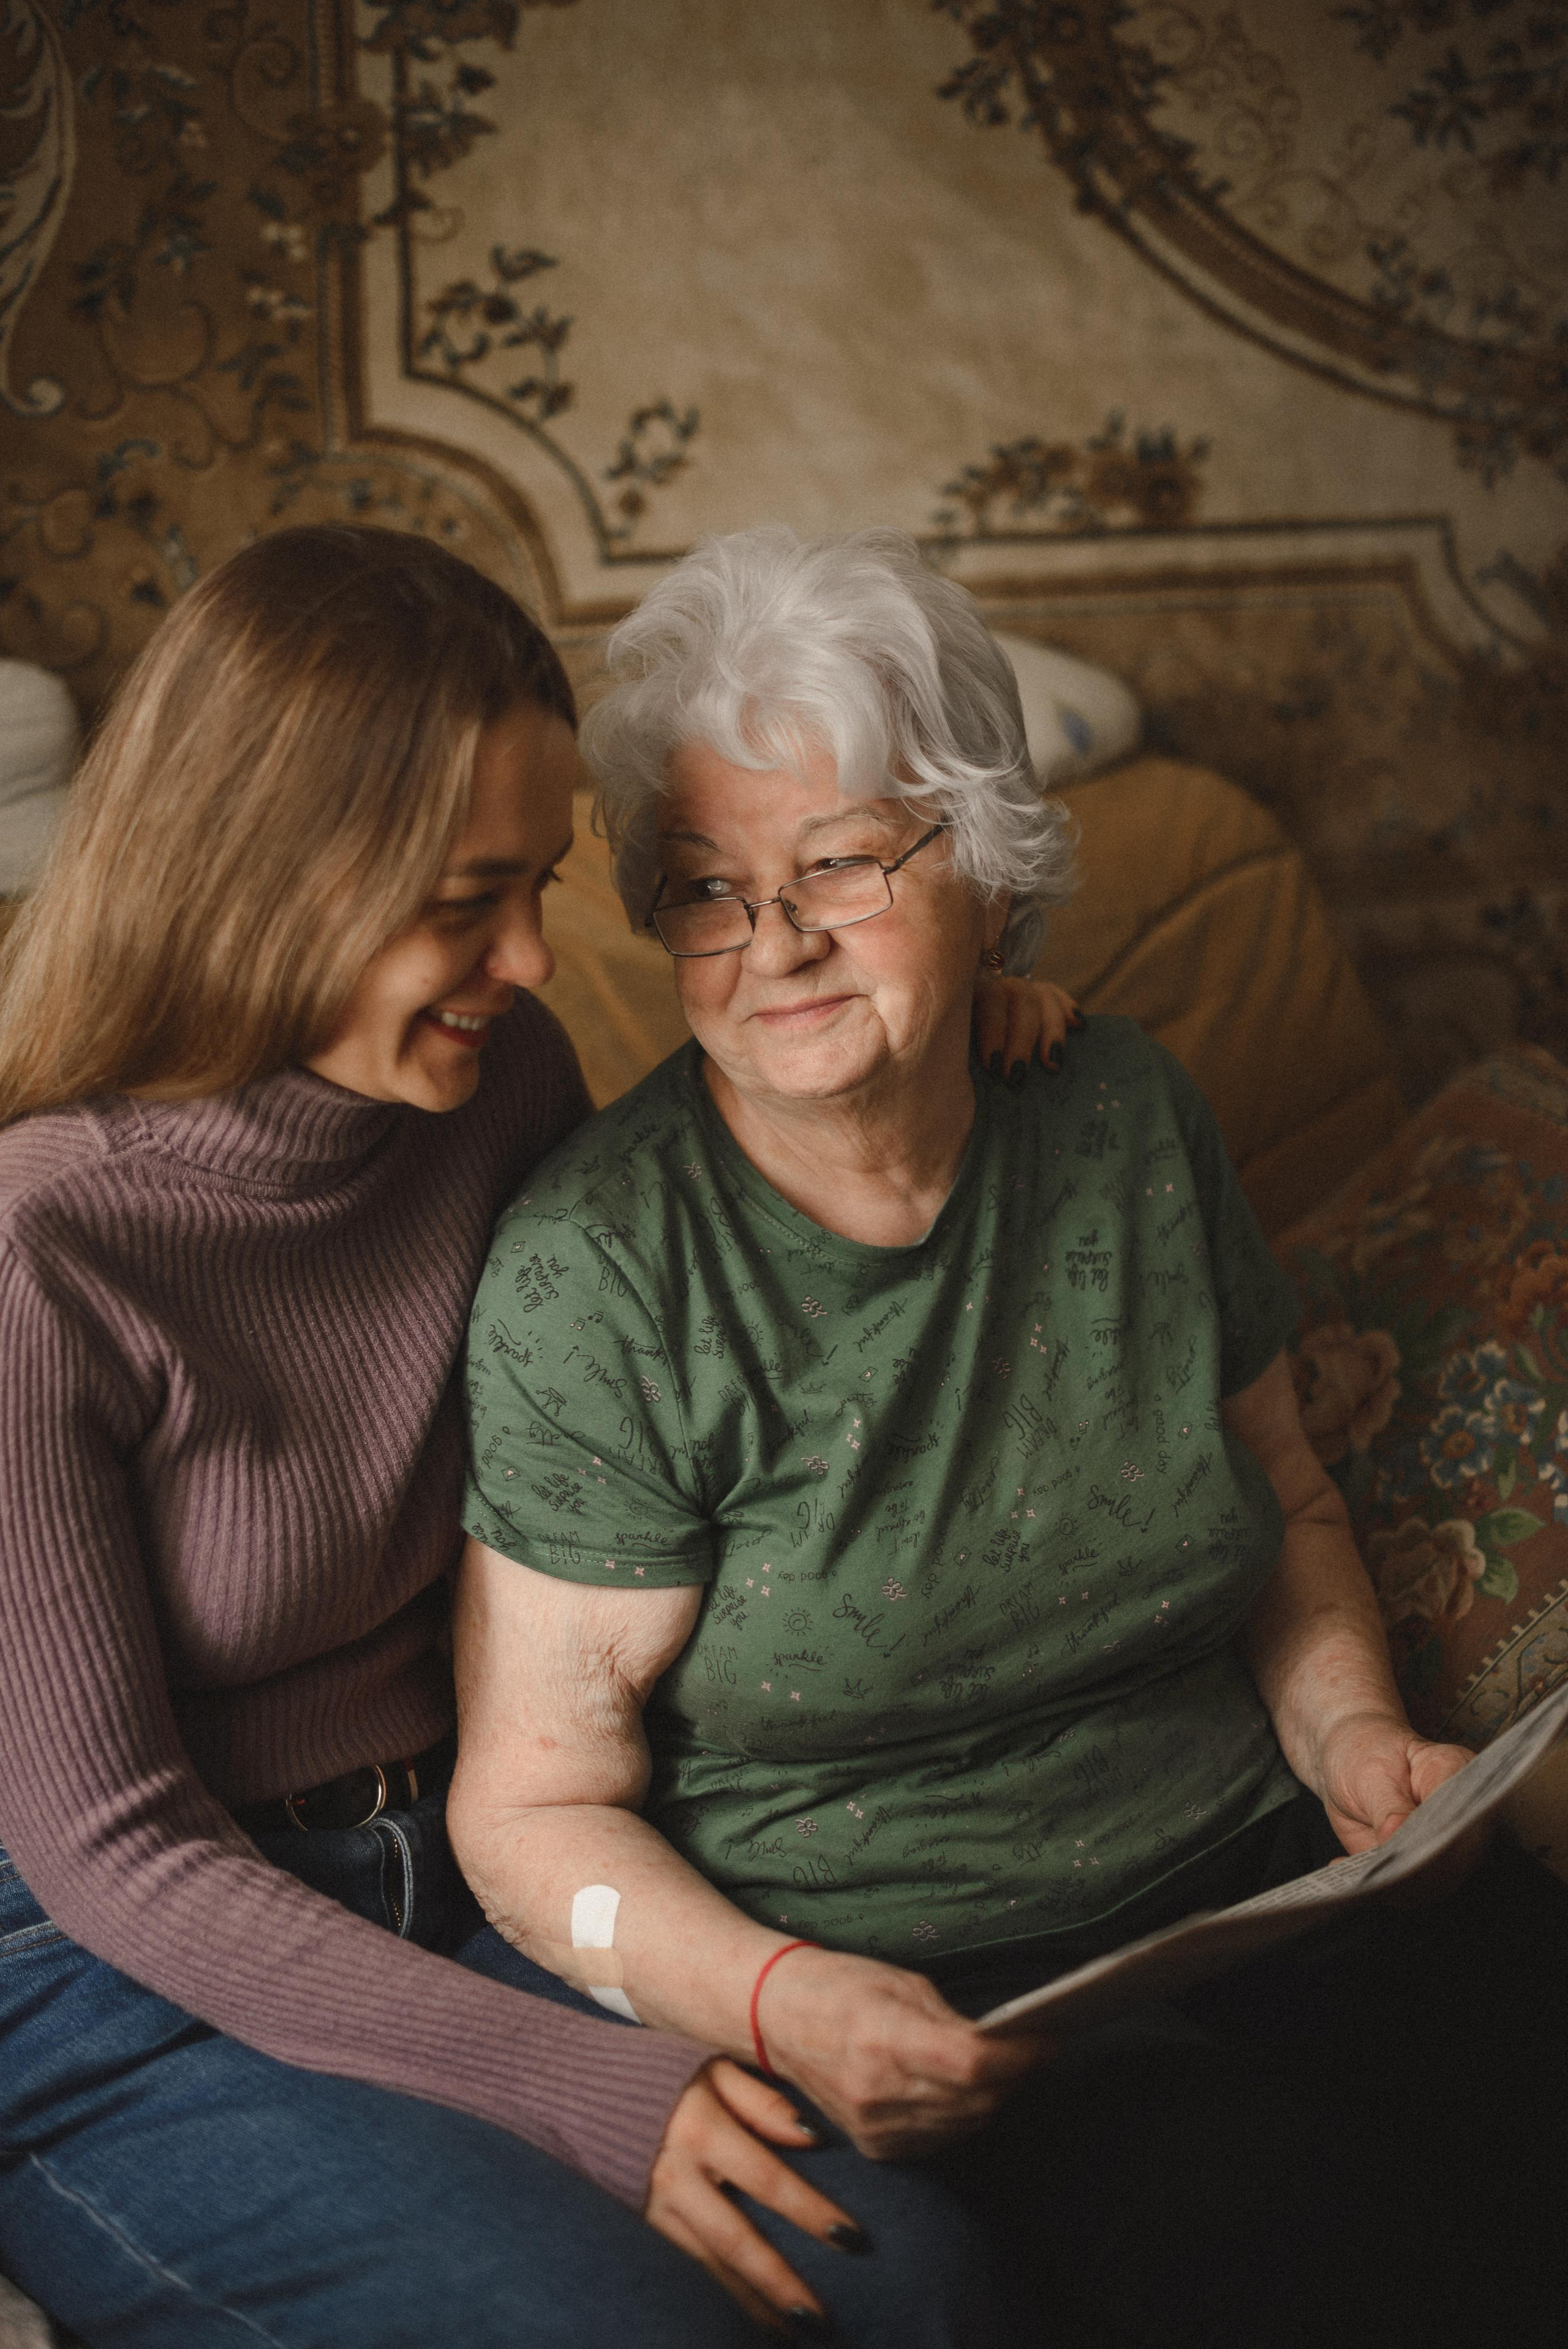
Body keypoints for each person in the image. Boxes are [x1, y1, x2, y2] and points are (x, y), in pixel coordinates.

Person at [453, 525, 1568, 2348]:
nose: (777, 942)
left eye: (839, 863)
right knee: (1310, 2245)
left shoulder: (1121, 1110)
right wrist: (782, 1994)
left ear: (981, 855)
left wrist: (1360, 1737)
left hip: (1280, 1876)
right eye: (706, 886)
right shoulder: (600, 1274)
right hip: (930, 2007)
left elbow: (1283, 1500)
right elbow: (527, 1804)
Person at [0, 524, 1076, 2348]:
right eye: (463, 899)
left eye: (545, 883)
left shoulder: (500, 1084)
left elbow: (735, 1234)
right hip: (126, 1970)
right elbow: (118, 1852)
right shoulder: (43, 1249)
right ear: (262, 871)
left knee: (919, 2280)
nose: (528, 954)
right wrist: (587, 2090)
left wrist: (966, 1010)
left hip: (463, 1856)